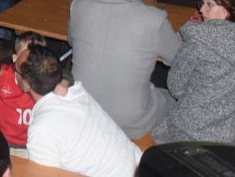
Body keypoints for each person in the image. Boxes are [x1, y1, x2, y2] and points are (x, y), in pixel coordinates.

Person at [69, 0, 181, 139]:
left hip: (81, 109)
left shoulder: (79, 5)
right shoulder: (154, 18)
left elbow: (72, 41)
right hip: (129, 122)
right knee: (171, 98)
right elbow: (178, 58)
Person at [153, 0, 235, 149]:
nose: (201, 9)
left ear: (229, 7)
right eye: (202, 3)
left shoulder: (197, 41)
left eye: (209, 4)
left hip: (191, 132)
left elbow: (175, 88)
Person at [16, 45, 141, 177]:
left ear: (26, 84)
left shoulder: (43, 129)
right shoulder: (75, 90)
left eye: (15, 69)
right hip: (140, 165)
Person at [0, 31, 46, 147]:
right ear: (15, 58)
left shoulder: (46, 79)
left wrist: (65, 81)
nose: (31, 63)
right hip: (2, 140)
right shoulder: (1, 75)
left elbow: (63, 76)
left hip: (31, 142)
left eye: (37, 57)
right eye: (26, 57)